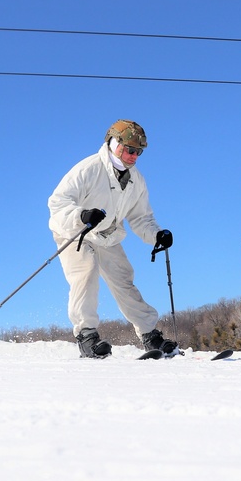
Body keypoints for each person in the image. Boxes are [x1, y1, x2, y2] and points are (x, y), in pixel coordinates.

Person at [48, 119, 177, 359]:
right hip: (76, 232)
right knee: (86, 274)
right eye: (129, 149)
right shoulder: (89, 168)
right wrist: (81, 215)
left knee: (123, 280)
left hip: (107, 235)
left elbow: (141, 218)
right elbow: (57, 203)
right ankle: (86, 336)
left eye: (139, 151)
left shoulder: (136, 180)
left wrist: (157, 235)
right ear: (113, 143)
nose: (133, 156)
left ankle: (149, 334)